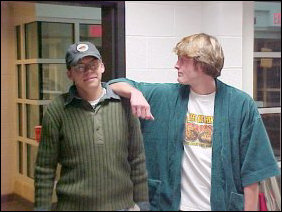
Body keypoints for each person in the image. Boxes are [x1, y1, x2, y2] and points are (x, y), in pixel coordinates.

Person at [108, 33, 280, 211]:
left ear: (202, 63)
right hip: (171, 205)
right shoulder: (163, 96)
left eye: (182, 60)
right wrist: (134, 93)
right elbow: (112, 85)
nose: (176, 65)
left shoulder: (241, 105)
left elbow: (252, 173)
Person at [34, 41, 149, 211]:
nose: (89, 71)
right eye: (80, 66)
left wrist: (143, 204)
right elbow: (45, 168)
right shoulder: (57, 109)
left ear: (102, 67)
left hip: (122, 206)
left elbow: (137, 160)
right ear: (69, 74)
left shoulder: (125, 106)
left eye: (93, 64)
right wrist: (41, 208)